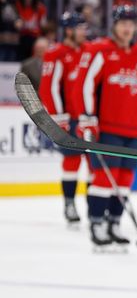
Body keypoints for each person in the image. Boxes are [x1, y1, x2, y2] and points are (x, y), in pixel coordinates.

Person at [74, 5, 137, 248]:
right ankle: (97, 224)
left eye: (131, 23)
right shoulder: (100, 50)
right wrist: (87, 118)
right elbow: (84, 84)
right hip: (108, 128)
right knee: (102, 179)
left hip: (133, 130)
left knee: (123, 180)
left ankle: (114, 223)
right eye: (123, 23)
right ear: (114, 25)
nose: (127, 28)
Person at [39, 12, 90, 223]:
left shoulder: (89, 51)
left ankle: (95, 206)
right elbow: (48, 88)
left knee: (95, 163)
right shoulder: (56, 53)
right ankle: (69, 204)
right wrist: (59, 117)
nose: (83, 32)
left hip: (89, 118)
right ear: (68, 30)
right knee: (71, 161)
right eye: (79, 28)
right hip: (69, 119)